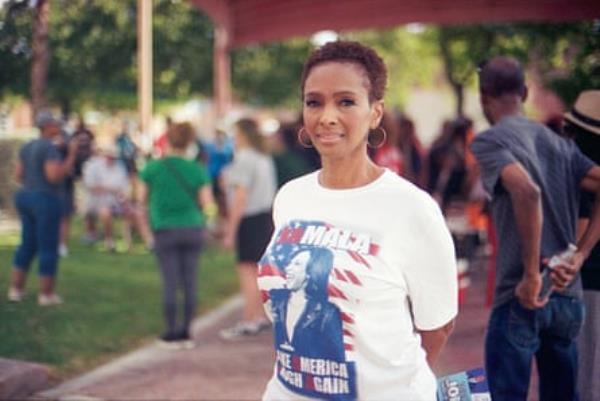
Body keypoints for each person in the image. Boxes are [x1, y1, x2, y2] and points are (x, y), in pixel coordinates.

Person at [257, 41, 457, 401]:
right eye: (314, 102)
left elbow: (438, 326)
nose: (327, 116)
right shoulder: (290, 197)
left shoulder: (412, 209)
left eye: (346, 102)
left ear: (375, 113)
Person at [470, 57, 600, 401]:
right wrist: (580, 255)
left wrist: (530, 274)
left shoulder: (490, 141)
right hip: (567, 293)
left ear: (483, 97)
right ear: (525, 93)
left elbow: (526, 191)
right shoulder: (560, 143)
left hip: (521, 293)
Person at [139, 122, 215, 348]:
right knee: (190, 282)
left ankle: (171, 331)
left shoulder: (152, 168)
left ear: (167, 139)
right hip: (193, 228)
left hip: (164, 229)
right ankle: (186, 332)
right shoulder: (196, 169)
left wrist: (145, 233)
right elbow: (207, 202)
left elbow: (140, 201)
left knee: (170, 282)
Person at [7, 110, 78, 306]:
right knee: (48, 247)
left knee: (27, 244)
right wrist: (70, 156)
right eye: (55, 123)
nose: (59, 127)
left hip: (25, 196)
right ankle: (46, 295)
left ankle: (16, 290)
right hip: (45, 199)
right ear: (48, 126)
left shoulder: (27, 146)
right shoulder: (49, 148)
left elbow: (19, 175)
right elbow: (54, 176)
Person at [220, 118, 277, 339]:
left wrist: (230, 231)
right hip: (265, 216)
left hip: (250, 218)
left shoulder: (244, 159)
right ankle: (260, 315)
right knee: (258, 270)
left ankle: (250, 318)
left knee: (247, 270)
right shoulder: (264, 157)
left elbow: (241, 198)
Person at [563, 90, 600, 401]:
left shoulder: (581, 163)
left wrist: (580, 252)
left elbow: (581, 223)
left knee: (587, 378)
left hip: (589, 280)